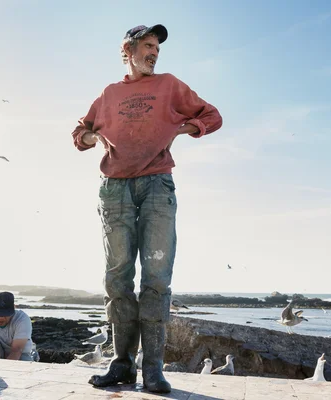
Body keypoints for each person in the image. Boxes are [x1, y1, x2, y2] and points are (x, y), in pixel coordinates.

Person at [71, 24, 222, 393]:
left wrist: (179, 129)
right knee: (118, 277)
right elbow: (80, 133)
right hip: (115, 190)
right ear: (129, 48)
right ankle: (121, 364)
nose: (154, 53)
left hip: (156, 186)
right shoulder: (109, 93)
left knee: (155, 278)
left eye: (157, 48)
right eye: (148, 46)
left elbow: (213, 116)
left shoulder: (170, 85)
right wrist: (93, 136)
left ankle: (153, 369)